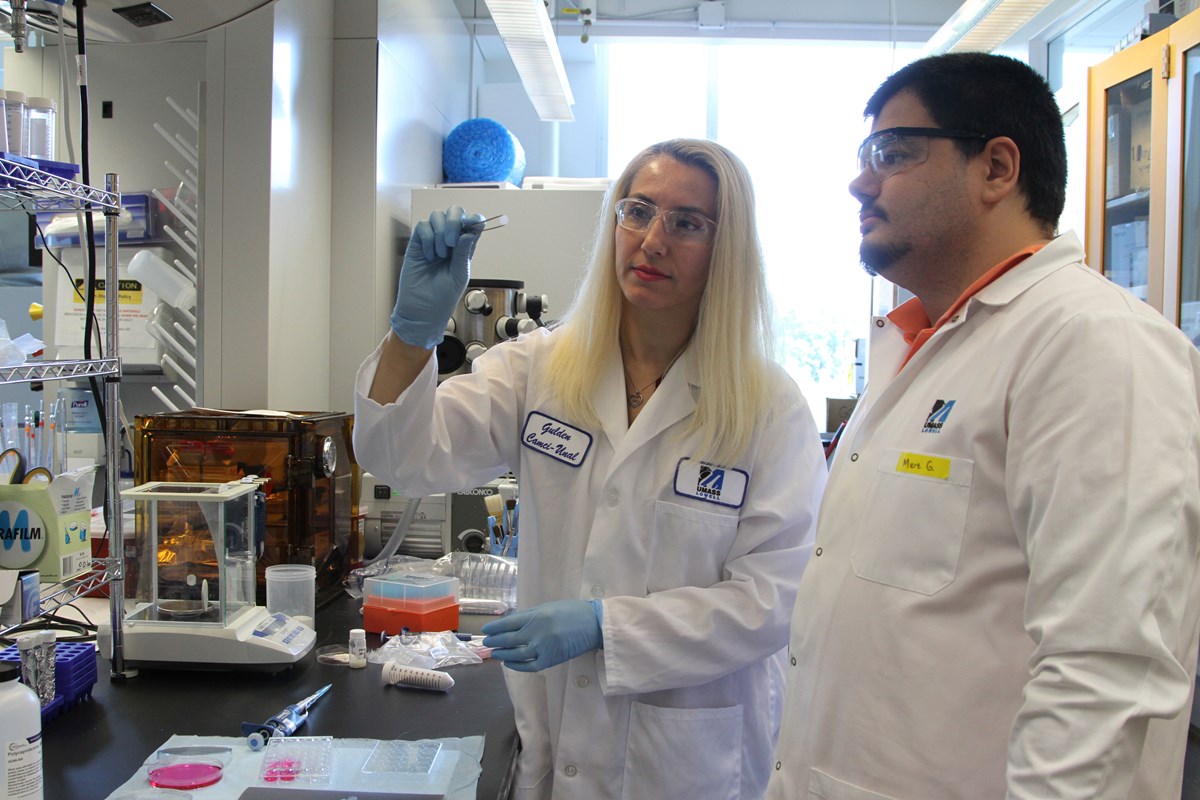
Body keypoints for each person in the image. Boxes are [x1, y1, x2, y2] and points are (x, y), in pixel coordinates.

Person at [765, 52, 1200, 800]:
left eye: (891, 153)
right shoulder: (915, 346)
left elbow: (1108, 668)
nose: (860, 182)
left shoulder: (1092, 344)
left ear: (997, 168)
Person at [353, 138, 828, 799]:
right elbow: (401, 457)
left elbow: (775, 600)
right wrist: (413, 334)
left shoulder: (767, 408)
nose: (653, 240)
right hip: (553, 736)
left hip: (686, 759)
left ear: (729, 251)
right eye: (638, 212)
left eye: (687, 223)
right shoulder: (541, 368)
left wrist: (608, 627)